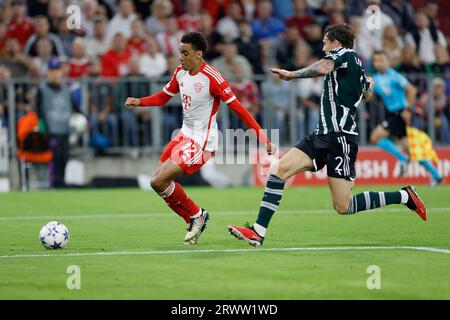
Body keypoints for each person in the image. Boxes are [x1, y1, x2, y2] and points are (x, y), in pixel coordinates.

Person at [227, 24, 427, 247]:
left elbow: (323, 67)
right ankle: (258, 232)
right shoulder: (356, 67)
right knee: (278, 171)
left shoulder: (346, 54)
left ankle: (404, 196)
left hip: (340, 139)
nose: (323, 46)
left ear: (337, 43)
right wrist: (368, 84)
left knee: (344, 206)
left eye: (325, 41)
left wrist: (293, 74)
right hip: (321, 135)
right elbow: (367, 91)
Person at [125, 32, 274, 245]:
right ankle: (195, 217)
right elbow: (163, 97)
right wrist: (140, 101)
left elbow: (238, 108)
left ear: (199, 54)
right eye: (180, 53)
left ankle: (196, 215)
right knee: (157, 183)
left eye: (185, 53)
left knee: (159, 180)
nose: (180, 57)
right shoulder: (180, 73)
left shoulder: (213, 78)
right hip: (184, 134)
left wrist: (263, 137)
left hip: (203, 140)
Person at [370, 50, 416, 176]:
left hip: (400, 113)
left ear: (388, 62)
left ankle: (403, 159)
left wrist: (408, 110)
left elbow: (411, 90)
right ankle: (436, 175)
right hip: (393, 114)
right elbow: (369, 93)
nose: (378, 63)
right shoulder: (377, 78)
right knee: (409, 147)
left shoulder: (394, 75)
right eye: (376, 61)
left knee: (375, 137)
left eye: (381, 60)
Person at [36, 58, 75, 188]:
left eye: (57, 70)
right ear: (48, 72)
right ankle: (54, 184)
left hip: (65, 129)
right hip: (51, 130)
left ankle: (62, 183)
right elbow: (39, 111)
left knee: (64, 157)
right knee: (54, 158)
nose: (55, 74)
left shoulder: (66, 89)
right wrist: (44, 128)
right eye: (52, 70)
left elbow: (75, 106)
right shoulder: (42, 89)